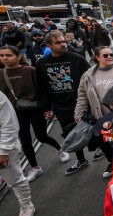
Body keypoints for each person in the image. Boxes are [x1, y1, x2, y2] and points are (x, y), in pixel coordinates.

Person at [0, 46, 69, 182]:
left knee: (41, 136)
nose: (5, 58)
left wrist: (47, 109)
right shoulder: (1, 73)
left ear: (19, 56)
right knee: (25, 140)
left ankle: (59, 148)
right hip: (15, 112)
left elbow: (43, 90)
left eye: (8, 55)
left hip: (35, 108)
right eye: (2, 56)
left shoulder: (31, 71)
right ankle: (35, 167)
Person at [35, 31, 92, 176]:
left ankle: (101, 151)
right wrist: (47, 108)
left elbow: (91, 77)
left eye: (63, 41)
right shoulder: (42, 63)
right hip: (61, 106)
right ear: (49, 45)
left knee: (92, 130)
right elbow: (43, 88)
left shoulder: (76, 58)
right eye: (58, 43)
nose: (63, 44)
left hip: (82, 103)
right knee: (71, 134)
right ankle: (81, 160)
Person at [74, 46, 113, 177]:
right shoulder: (88, 75)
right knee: (108, 142)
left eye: (111, 54)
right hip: (103, 118)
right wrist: (79, 113)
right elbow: (82, 95)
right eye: (105, 55)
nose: (109, 57)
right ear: (97, 57)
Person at [0, 91, 35, 216]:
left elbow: (9, 123)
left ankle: (26, 205)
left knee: (14, 179)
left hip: (4, 147)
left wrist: (3, 151)